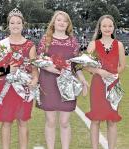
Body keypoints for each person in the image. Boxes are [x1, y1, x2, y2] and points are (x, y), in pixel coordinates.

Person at [36, 11, 88, 149]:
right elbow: (38, 59)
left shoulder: (72, 41)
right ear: (54, 22)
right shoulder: (46, 39)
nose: (61, 23)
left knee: (65, 121)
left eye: (65, 21)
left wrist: (83, 80)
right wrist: (50, 68)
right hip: (48, 82)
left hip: (67, 83)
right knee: (51, 120)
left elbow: (76, 64)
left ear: (68, 24)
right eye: (59, 20)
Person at [0, 8, 39, 149]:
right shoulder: (1, 45)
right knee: (6, 122)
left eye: (18, 23)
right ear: (8, 25)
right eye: (12, 23)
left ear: (23, 25)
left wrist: (35, 80)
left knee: (23, 121)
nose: (15, 25)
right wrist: (9, 69)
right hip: (6, 87)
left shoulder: (30, 45)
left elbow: (34, 68)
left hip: (24, 88)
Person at [85, 15, 126, 149]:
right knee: (96, 119)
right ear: (100, 28)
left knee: (112, 120)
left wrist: (113, 75)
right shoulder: (93, 44)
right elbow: (85, 65)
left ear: (114, 27)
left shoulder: (119, 45)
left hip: (113, 85)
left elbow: (122, 66)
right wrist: (99, 72)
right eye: (104, 26)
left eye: (110, 26)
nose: (107, 28)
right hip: (98, 85)